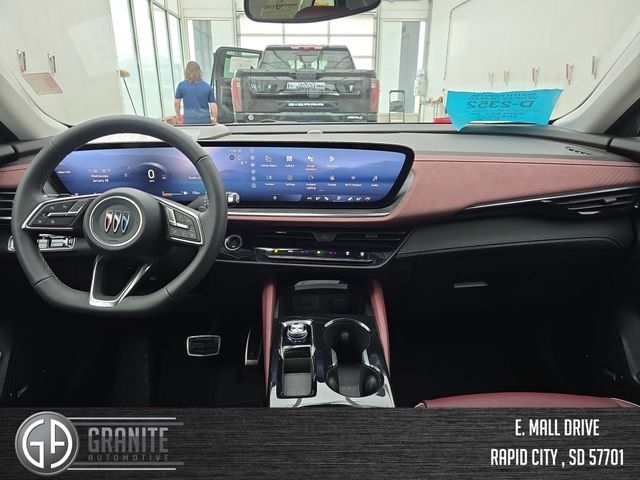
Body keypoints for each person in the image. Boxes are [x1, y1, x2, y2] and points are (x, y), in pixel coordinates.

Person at [174, 60, 218, 125]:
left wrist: (178, 115)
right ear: (199, 72)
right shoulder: (207, 87)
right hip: (205, 120)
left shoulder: (181, 86)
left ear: (186, 72)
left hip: (189, 120)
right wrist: (214, 119)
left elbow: (176, 103)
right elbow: (213, 105)